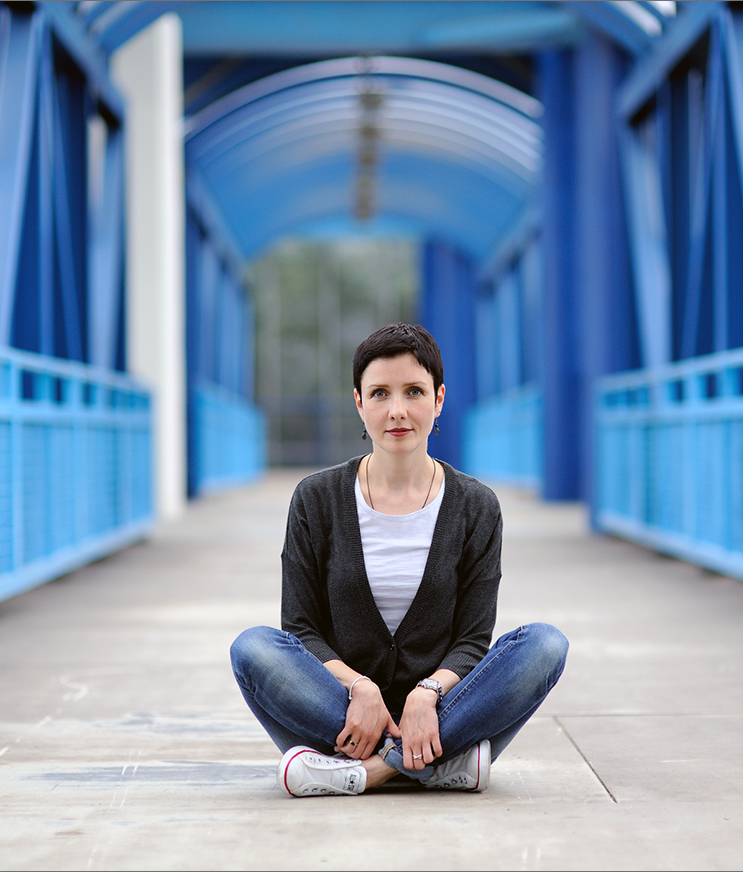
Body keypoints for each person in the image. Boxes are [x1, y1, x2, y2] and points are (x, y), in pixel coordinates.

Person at [230, 323, 568, 797]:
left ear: (440, 399)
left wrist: (428, 694)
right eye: (380, 393)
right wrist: (360, 689)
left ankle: (370, 771)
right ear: (359, 403)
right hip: (342, 713)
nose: (398, 411)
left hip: (440, 710)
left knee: (545, 645)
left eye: (414, 391)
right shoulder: (317, 498)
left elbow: (473, 639)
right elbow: (300, 630)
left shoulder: (475, 506)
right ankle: (441, 764)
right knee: (252, 649)